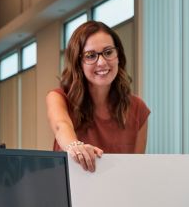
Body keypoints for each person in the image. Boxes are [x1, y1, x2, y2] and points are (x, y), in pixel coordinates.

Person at [47, 21, 150, 172]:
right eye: (91, 56)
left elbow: (135, 170)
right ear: (78, 63)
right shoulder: (59, 98)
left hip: (118, 192)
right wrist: (75, 147)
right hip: (68, 192)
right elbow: (60, 125)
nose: (101, 62)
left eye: (108, 52)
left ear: (118, 56)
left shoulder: (138, 108)